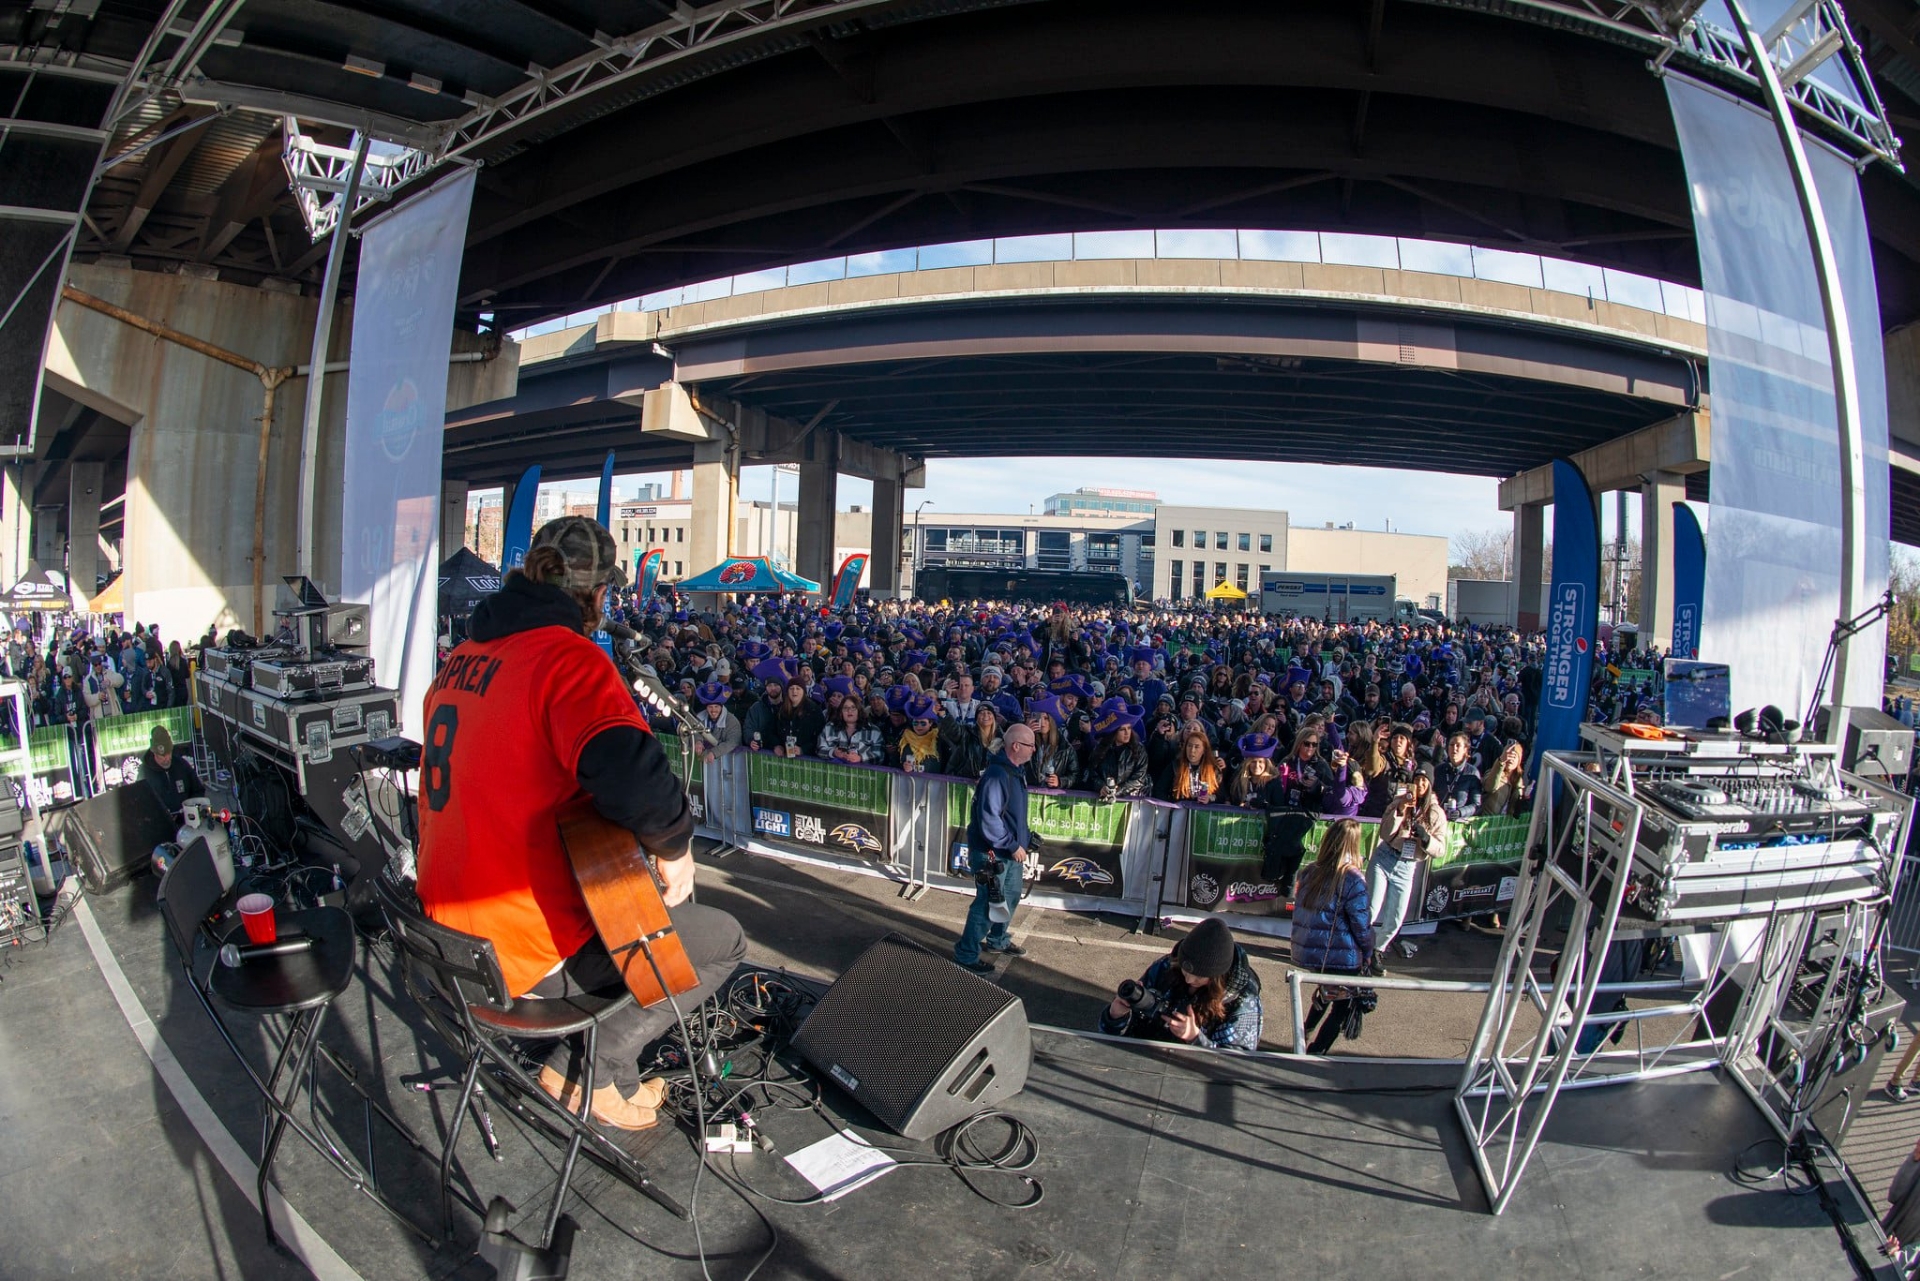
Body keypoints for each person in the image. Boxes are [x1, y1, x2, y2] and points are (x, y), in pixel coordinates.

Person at [415, 517, 746, 1132]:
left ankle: (617, 1074)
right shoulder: (566, 659)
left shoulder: (463, 657)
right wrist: (675, 848)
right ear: (597, 596)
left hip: (443, 936)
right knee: (720, 940)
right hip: (520, 950)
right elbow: (633, 779)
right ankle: (587, 1068)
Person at [1098, 916, 1262, 1051]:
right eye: (1185, 970)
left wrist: (1195, 1039)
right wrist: (1115, 1017)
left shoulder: (1244, 1001)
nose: (1189, 980)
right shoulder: (1166, 966)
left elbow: (1238, 1066)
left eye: (1199, 977)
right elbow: (1109, 1038)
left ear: (1218, 977)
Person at [953, 721, 1037, 975]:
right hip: (994, 853)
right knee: (988, 904)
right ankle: (966, 954)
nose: (1034, 750)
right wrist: (1013, 844)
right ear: (1016, 746)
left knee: (1008, 898)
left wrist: (1026, 837)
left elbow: (1008, 816)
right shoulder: (998, 775)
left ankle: (998, 940)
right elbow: (990, 820)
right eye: (1031, 745)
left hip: (1007, 852)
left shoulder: (1012, 772)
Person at [1290, 820, 1377, 1054]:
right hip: (1343, 956)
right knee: (1341, 1008)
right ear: (1354, 844)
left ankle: (1303, 1033)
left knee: (1325, 993)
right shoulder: (1353, 879)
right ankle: (1316, 1051)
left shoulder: (1309, 872)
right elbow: (1362, 927)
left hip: (1313, 952)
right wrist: (1369, 952)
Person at [1368, 760, 1447, 967]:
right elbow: (1384, 833)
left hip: (1407, 864)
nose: (1420, 784)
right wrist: (1400, 809)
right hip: (1385, 857)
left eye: (1424, 781)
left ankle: (1378, 948)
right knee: (1371, 908)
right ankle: (1359, 946)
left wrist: (1426, 839)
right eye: (1417, 779)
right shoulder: (1399, 800)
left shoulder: (1436, 813)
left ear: (1430, 785)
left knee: (1395, 918)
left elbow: (1441, 848)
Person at [140, 725, 205, 822]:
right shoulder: (144, 773)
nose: (166, 759)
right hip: (160, 825)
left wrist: (190, 808)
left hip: (186, 822)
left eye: (168, 754)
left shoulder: (182, 765)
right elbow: (141, 805)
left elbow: (198, 790)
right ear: (154, 753)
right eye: (162, 756)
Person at [817, 694, 884, 765]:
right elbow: (819, 749)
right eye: (845, 708)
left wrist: (861, 758)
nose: (849, 711)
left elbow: (880, 756)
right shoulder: (829, 727)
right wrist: (833, 752)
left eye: (853, 707)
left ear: (859, 711)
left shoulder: (874, 731)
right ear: (841, 712)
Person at [693, 681, 741, 761]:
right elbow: (694, 731)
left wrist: (714, 753)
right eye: (710, 707)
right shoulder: (699, 717)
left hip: (729, 762)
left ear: (721, 707)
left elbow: (732, 742)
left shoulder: (732, 721)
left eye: (716, 707)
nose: (713, 710)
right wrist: (697, 741)